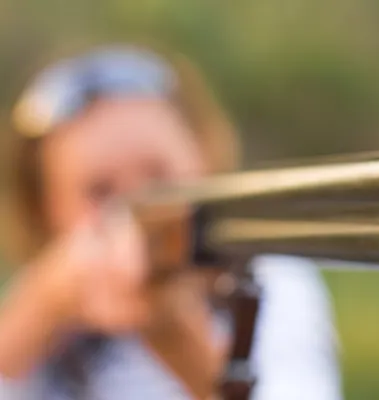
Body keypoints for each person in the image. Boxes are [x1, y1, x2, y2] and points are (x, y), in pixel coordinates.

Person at [0, 44, 342, 399]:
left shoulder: (271, 277)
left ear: (203, 158)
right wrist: (38, 315)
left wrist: (175, 335)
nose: (136, 211)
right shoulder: (41, 309)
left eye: (159, 177)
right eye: (100, 192)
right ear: (45, 210)